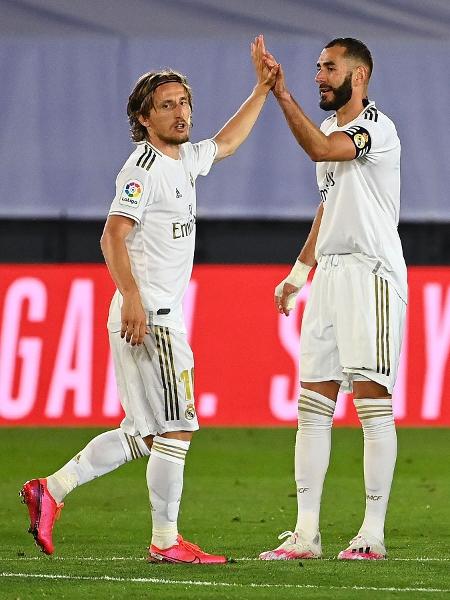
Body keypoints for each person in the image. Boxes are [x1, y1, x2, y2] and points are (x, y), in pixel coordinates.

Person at [20, 36, 279, 564]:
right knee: (178, 427)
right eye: (167, 105)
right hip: (151, 314)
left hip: (154, 310)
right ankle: (165, 541)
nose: (180, 113)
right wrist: (133, 297)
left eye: (184, 102)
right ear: (143, 117)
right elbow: (112, 235)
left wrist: (262, 90)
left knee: (143, 432)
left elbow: (225, 143)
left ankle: (51, 490)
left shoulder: (182, 159)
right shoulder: (142, 168)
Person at [255, 37, 407, 561]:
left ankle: (372, 533)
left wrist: (281, 94)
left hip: (372, 276)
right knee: (312, 408)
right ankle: (307, 533)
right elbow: (328, 205)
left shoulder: (375, 129)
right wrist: (300, 272)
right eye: (317, 67)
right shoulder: (327, 127)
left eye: (330, 67)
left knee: (372, 408)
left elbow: (325, 153)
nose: (320, 75)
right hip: (332, 276)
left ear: (358, 75)